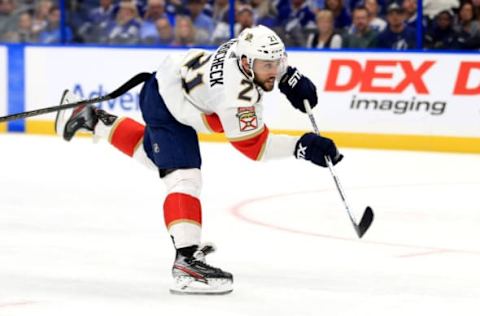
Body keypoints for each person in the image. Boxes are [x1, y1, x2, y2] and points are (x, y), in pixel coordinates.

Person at [54, 25, 342, 295]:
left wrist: (289, 76)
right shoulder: (236, 97)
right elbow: (256, 147)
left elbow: (269, 59)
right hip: (169, 107)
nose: (274, 68)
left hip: (168, 85)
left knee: (156, 157)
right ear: (246, 64)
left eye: (278, 63)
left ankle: (91, 118)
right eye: (269, 66)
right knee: (183, 177)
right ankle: (187, 261)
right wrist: (302, 146)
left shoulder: (245, 50)